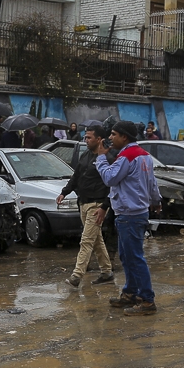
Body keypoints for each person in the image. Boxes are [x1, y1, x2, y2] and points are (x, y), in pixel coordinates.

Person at [96, 121, 161, 315]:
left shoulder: (127, 156)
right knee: (127, 256)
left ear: (124, 137)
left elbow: (110, 178)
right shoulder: (144, 156)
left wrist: (101, 158)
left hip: (130, 215)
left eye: (114, 134)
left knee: (134, 258)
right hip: (134, 213)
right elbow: (152, 183)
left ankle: (147, 300)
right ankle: (130, 293)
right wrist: (156, 200)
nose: (110, 138)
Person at [58, 125, 114, 288]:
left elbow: (112, 185)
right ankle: (106, 272)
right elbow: (76, 176)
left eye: (89, 137)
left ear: (99, 140)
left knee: (87, 240)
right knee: (96, 239)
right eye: (85, 137)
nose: (86, 140)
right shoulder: (85, 155)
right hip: (83, 202)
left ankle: (77, 275)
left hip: (97, 205)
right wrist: (64, 192)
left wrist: (105, 206)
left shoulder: (107, 159)